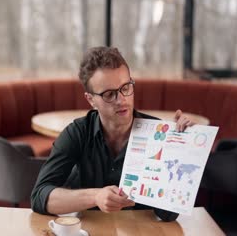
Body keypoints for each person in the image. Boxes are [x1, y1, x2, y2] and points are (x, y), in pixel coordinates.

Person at [30, 46, 194, 221]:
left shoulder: (157, 133)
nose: (121, 99)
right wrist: (95, 197)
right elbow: (39, 196)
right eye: (109, 94)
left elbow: (169, 214)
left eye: (126, 87)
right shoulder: (77, 133)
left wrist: (179, 148)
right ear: (91, 99)